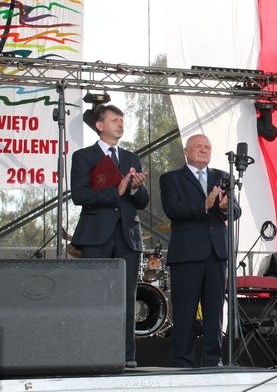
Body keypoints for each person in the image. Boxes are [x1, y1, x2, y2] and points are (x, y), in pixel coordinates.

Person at [70, 104, 149, 369]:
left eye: (122, 120)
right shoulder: (84, 156)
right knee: (95, 295)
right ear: (100, 125)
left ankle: (127, 355)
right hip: (96, 235)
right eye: (115, 120)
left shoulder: (131, 158)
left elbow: (142, 201)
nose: (120, 124)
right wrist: (117, 191)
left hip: (128, 236)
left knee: (127, 297)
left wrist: (135, 189)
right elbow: (79, 195)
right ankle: (92, 352)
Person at [159, 134, 240, 368]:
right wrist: (203, 205)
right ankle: (182, 361)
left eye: (207, 147)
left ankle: (213, 361)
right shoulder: (171, 178)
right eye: (198, 146)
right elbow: (172, 209)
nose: (203, 150)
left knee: (214, 312)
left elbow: (236, 211)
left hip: (217, 254)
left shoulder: (222, 177)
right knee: (185, 311)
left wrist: (225, 207)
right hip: (187, 254)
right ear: (186, 151)